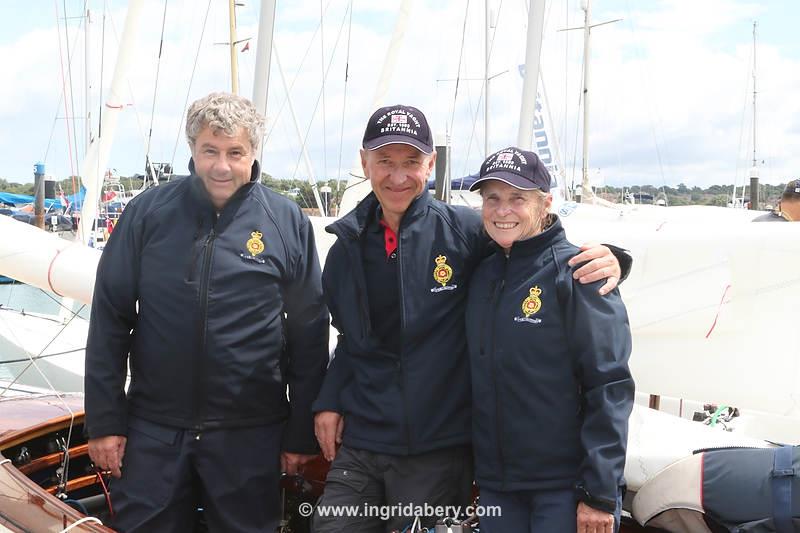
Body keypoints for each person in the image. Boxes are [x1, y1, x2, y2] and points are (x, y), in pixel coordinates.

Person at [311, 105, 631, 533]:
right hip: (366, 439)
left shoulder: (466, 232)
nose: (398, 176)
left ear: (431, 164)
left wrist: (614, 260)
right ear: (365, 161)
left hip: (438, 449)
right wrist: (329, 399)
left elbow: (533, 246)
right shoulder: (345, 247)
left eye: (411, 162)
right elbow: (350, 337)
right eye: (385, 161)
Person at [85, 92, 329, 532]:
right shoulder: (148, 213)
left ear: (253, 153)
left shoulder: (286, 221)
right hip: (154, 431)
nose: (222, 166)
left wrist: (300, 433)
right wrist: (104, 422)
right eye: (210, 151)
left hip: (250, 434)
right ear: (192, 151)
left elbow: (310, 335)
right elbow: (110, 319)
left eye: (235, 152)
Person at [465, 147, 634, 533]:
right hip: (497, 486)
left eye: (517, 199)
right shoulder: (482, 272)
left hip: (565, 489)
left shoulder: (578, 274)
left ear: (545, 204)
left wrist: (599, 492)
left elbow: (609, 385)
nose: (502, 210)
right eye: (493, 198)